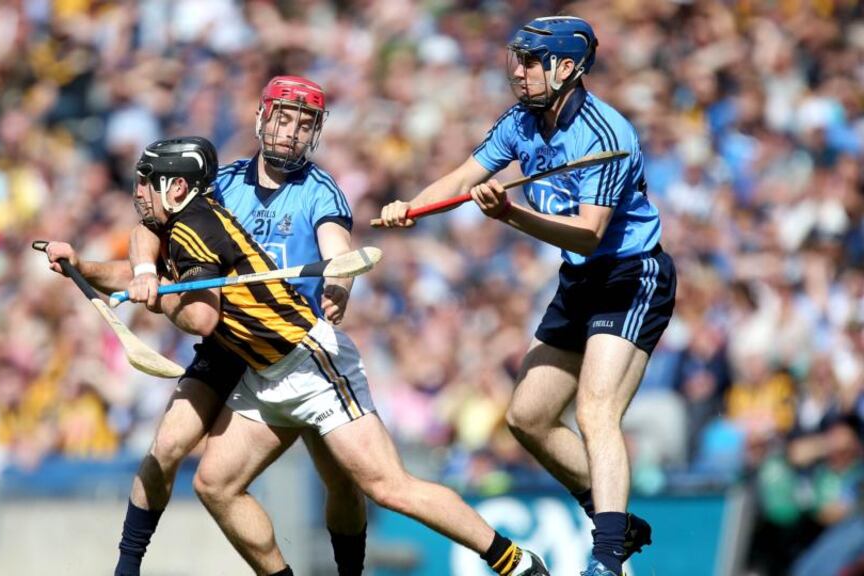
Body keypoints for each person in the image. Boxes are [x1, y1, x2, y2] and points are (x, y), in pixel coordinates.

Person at [118, 134, 549, 575]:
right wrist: (136, 270)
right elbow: (144, 237)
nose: (137, 192)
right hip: (263, 369)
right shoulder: (205, 200)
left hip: (307, 360)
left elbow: (202, 318)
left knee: (385, 487)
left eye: (146, 181)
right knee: (215, 484)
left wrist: (157, 298)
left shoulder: (292, 197)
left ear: (176, 188)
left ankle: (514, 560)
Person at [378, 16, 676, 576]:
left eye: (531, 62)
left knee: (595, 409)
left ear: (567, 68)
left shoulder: (607, 137)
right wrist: (411, 208)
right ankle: (612, 515)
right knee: (527, 417)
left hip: (631, 277)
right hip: (580, 281)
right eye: (516, 58)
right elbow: (466, 175)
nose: (518, 71)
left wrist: (511, 215)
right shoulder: (520, 121)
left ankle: (607, 558)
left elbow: (589, 232)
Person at [116, 76, 366, 576]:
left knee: (343, 481)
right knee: (166, 448)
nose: (291, 131)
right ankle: (126, 568)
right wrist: (146, 270)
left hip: (287, 346)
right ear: (262, 117)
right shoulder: (221, 182)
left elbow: (338, 252)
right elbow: (150, 224)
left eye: (304, 123)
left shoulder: (320, 191)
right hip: (226, 341)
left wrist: (339, 287)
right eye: (284, 117)